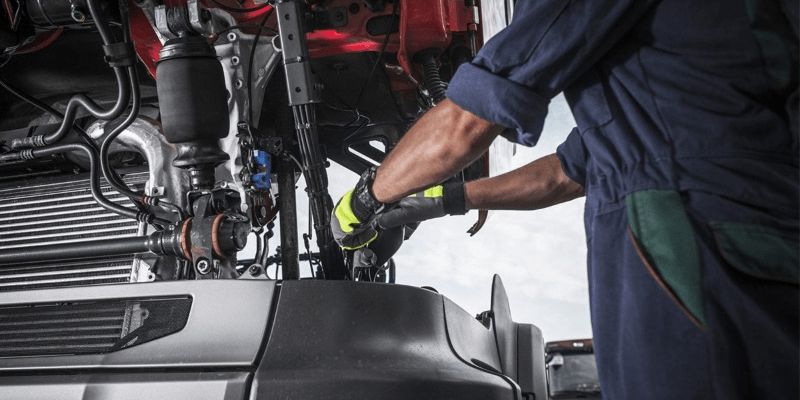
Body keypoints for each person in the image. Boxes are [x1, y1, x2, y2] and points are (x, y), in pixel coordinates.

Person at [331, 0, 799, 399]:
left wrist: (364, 200)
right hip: (747, 226)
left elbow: (466, 124)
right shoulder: (663, 81)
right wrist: (448, 199)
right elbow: (569, 171)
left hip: (692, 238)